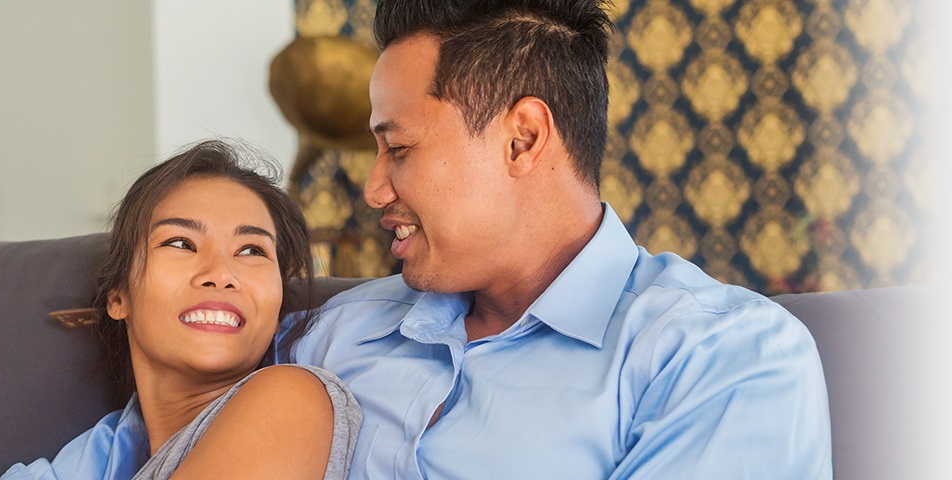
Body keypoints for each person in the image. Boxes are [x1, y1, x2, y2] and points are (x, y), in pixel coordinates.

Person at [277, 0, 831, 478]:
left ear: (524, 139)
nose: (374, 190)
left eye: (398, 150)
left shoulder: (721, 356)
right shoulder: (324, 336)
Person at [0, 140, 362, 480]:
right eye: (181, 242)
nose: (220, 272)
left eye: (252, 250)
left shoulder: (293, 398)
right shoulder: (102, 455)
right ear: (119, 297)